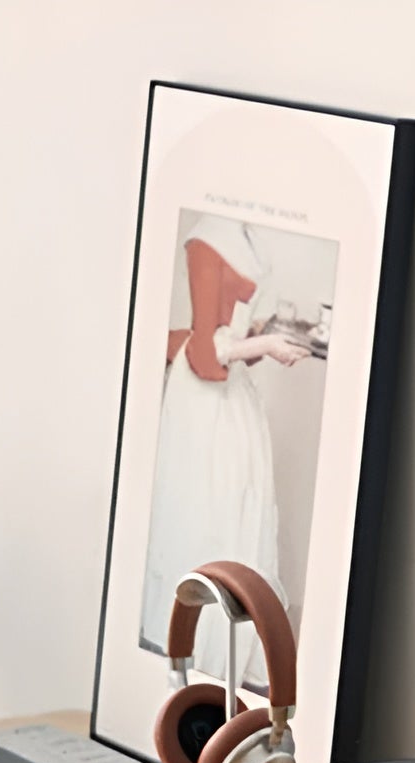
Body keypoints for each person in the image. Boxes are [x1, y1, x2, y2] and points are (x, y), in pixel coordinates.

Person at [139, 214, 309, 687]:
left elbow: (229, 347)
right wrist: (266, 342)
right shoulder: (206, 240)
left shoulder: (249, 236)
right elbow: (206, 359)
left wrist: (268, 339)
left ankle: (228, 652)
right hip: (204, 405)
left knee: (239, 507)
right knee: (207, 510)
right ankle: (192, 648)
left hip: (235, 402)